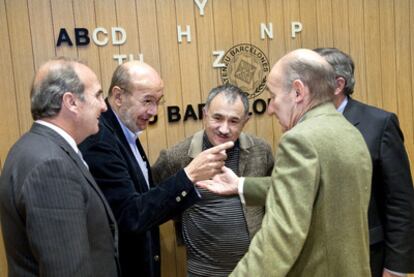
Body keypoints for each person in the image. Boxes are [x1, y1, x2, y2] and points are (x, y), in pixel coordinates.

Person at [198, 49, 373, 276]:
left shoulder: (299, 139)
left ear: (298, 91)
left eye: (273, 96)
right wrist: (241, 185)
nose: (270, 109)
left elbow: (281, 234)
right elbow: (311, 190)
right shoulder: (348, 130)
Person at [79, 61, 233, 277]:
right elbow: (130, 215)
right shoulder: (100, 140)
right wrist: (188, 175)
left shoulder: (127, 130)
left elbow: (149, 201)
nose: (153, 111)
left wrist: (192, 182)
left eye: (158, 102)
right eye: (147, 101)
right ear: (118, 96)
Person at [0, 58, 119, 276]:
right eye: (97, 95)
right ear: (71, 102)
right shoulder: (51, 166)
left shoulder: (35, 147)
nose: (104, 106)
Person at [152, 84, 274, 277]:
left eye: (234, 121)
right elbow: (157, 201)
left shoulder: (261, 151)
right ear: (204, 114)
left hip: (256, 269)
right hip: (203, 272)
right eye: (217, 118)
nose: (224, 129)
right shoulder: (176, 157)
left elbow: (273, 198)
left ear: (246, 121)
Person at [314, 47, 414, 277]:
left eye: (312, 77)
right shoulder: (300, 124)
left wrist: (397, 267)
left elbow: (399, 200)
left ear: (338, 85)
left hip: (369, 255)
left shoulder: (380, 123)